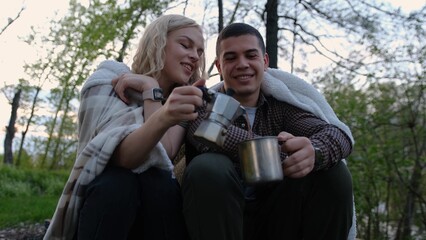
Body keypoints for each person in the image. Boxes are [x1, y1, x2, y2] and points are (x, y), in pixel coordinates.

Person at [181, 22, 355, 240]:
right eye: (231, 57)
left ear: (264, 61)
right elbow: (212, 136)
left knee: (333, 173)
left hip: (279, 219)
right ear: (218, 66)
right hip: (220, 221)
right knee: (208, 166)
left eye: (251, 55)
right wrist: (289, 153)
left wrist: (313, 152)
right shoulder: (203, 103)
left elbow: (338, 135)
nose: (242, 64)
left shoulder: (281, 108)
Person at [44, 14, 206, 240]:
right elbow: (121, 157)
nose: (195, 56)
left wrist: (151, 91)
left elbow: (164, 152)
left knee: (159, 183)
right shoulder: (107, 80)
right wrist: (156, 98)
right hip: (105, 204)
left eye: (199, 51)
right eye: (185, 45)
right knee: (118, 183)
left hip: (156, 214)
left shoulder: (184, 99)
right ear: (158, 43)